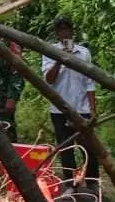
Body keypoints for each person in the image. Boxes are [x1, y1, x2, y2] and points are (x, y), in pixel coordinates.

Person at [40, 16, 99, 188]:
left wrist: (93, 109)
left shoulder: (83, 52)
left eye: (67, 29)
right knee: (66, 148)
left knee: (88, 146)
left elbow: (90, 82)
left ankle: (92, 181)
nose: (64, 33)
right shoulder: (49, 51)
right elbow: (49, 79)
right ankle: (70, 183)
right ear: (57, 33)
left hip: (82, 108)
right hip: (60, 109)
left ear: (72, 31)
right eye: (61, 30)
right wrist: (60, 59)